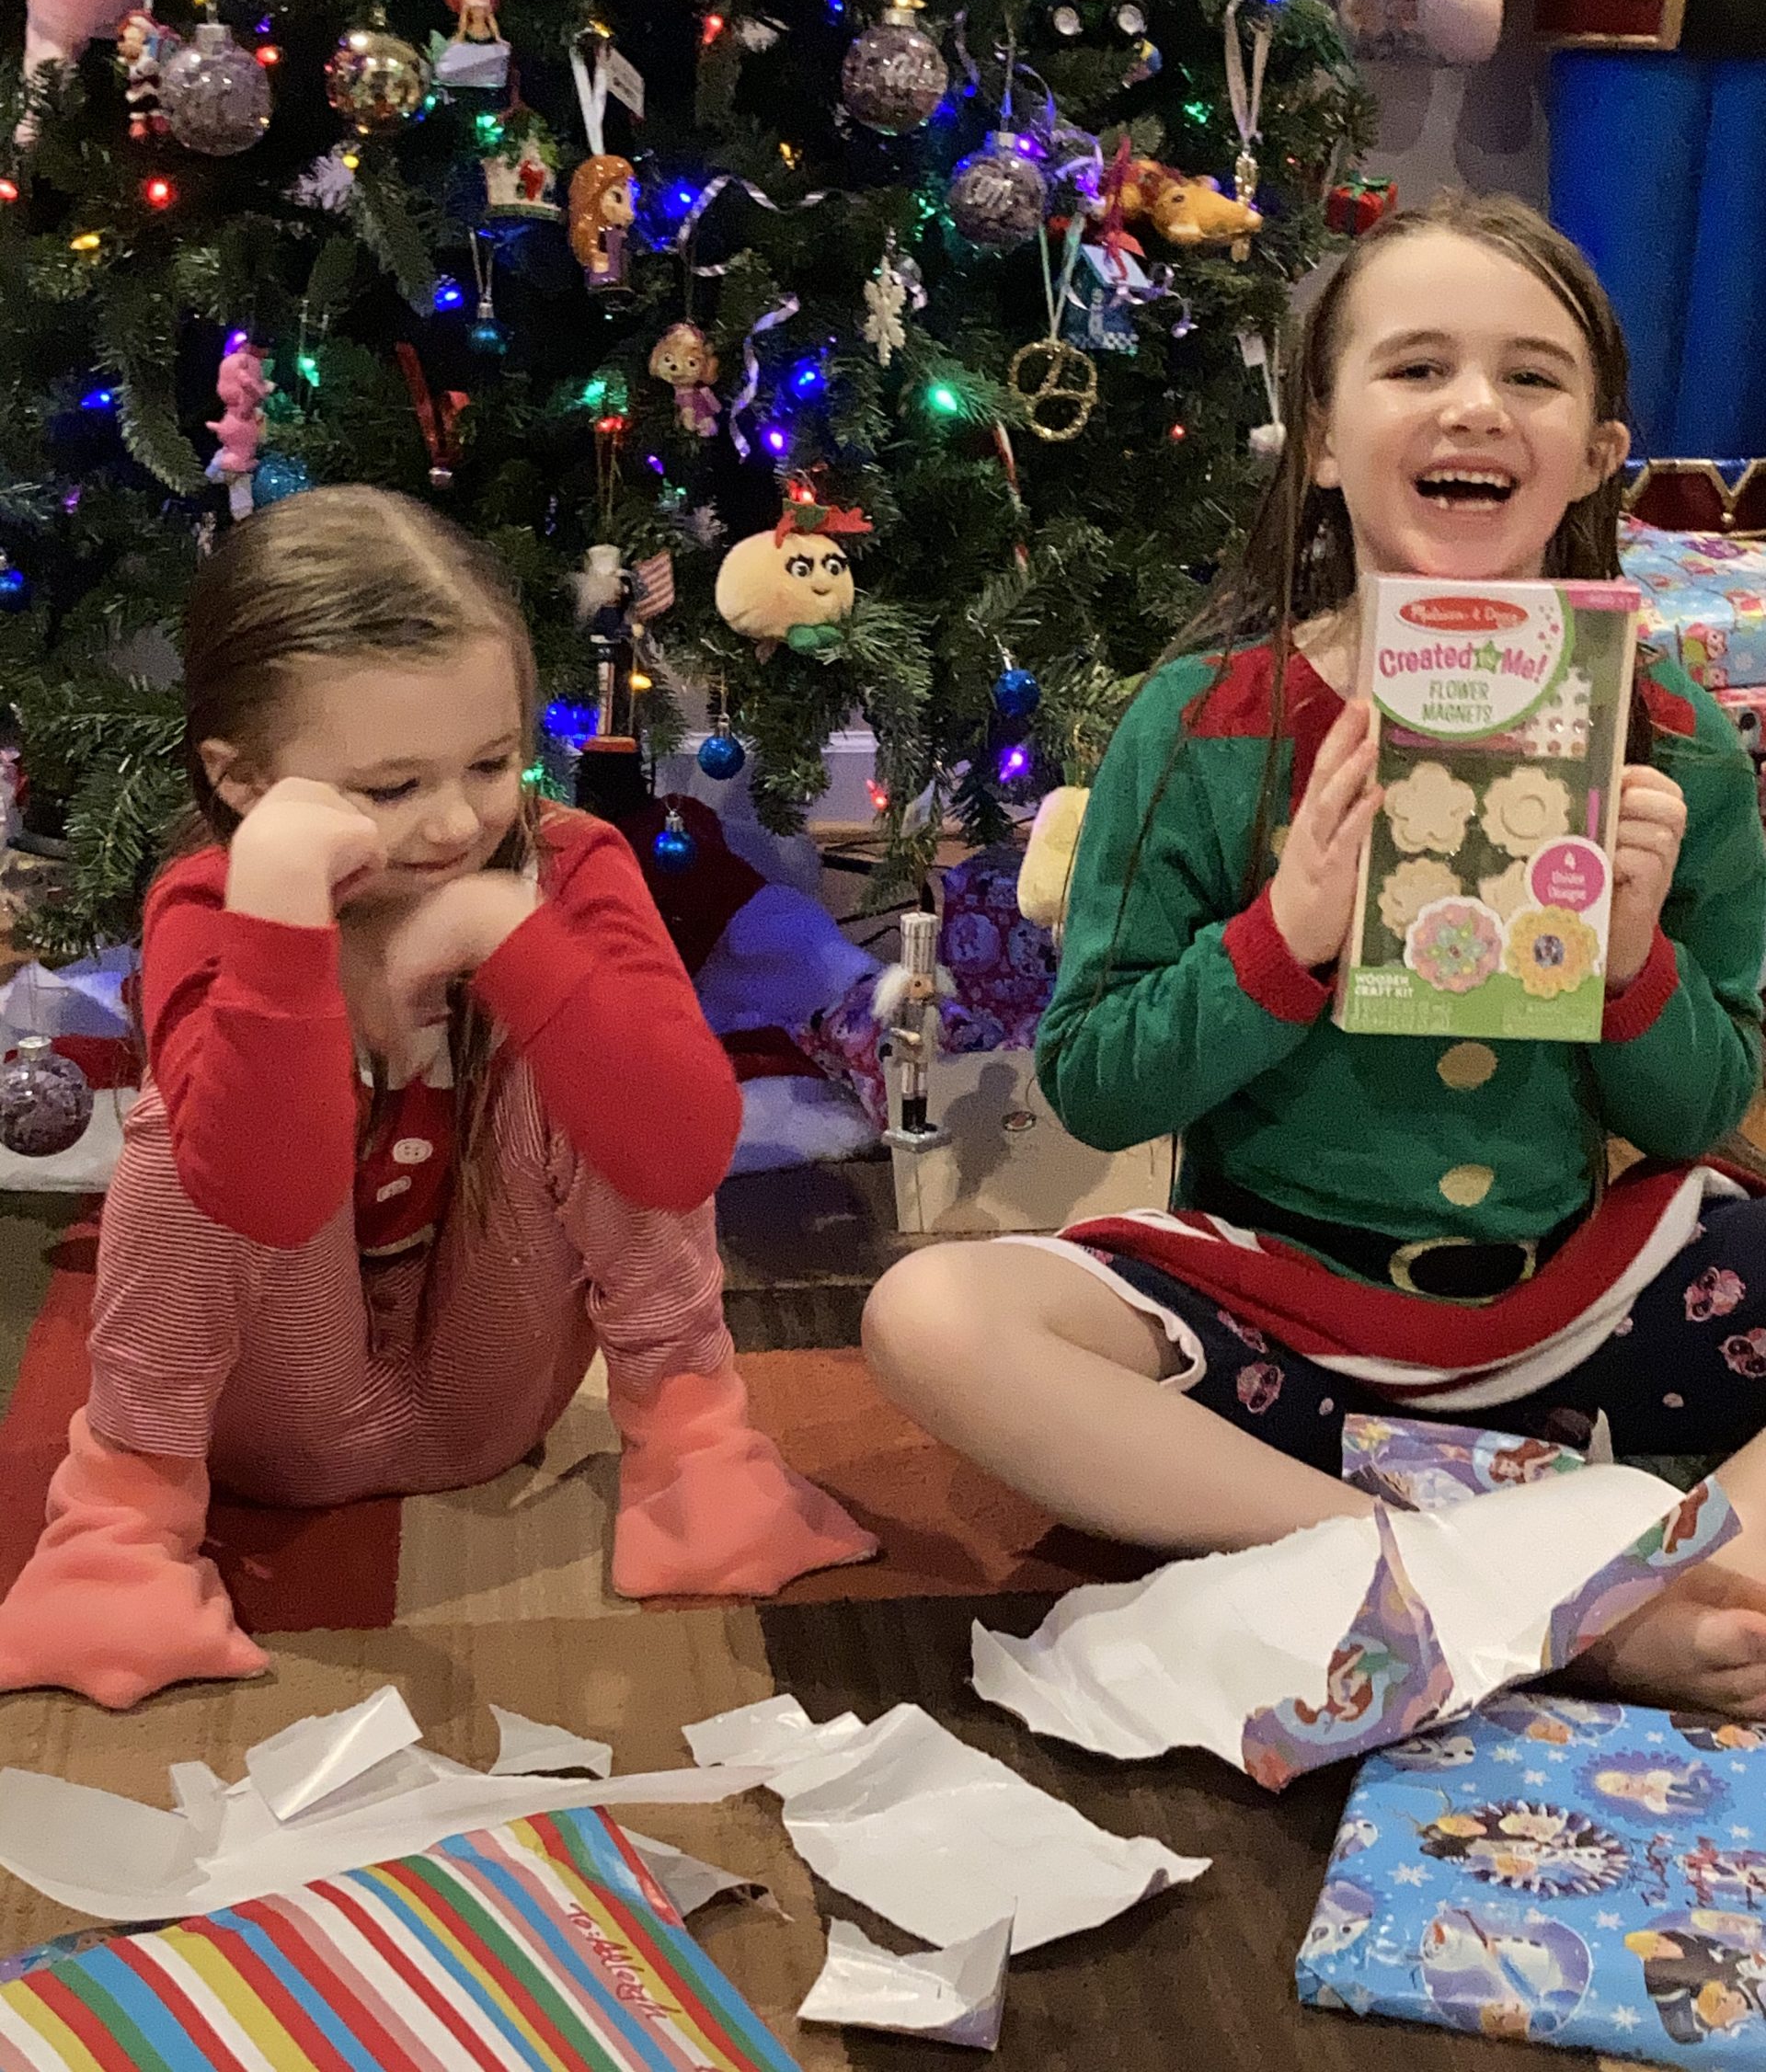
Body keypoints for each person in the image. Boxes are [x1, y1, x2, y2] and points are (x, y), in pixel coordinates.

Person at [865, 192, 1766, 1717]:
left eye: (1532, 377)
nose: (1475, 405)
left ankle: (1664, 1592)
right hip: (1278, 1320)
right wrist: (1281, 939)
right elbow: (1093, 1082)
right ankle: (1529, 1597)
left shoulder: (1671, 737)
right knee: (929, 1317)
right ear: (1325, 441)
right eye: (1416, 367)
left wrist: (1631, 971)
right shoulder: (1202, 725)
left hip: (1583, 1297)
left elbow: (1705, 1112)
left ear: (1599, 454)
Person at [0, 487, 874, 1710]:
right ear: (244, 782)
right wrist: (282, 924)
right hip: (265, 1420)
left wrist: (507, 939)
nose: (457, 822)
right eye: (389, 786)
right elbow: (257, 1194)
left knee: (609, 1057)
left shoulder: (569, 866)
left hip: (488, 1391)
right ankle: (117, 1534)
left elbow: (678, 1152)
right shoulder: (212, 902)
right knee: (174, 1136)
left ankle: (699, 1457)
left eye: (489, 763)